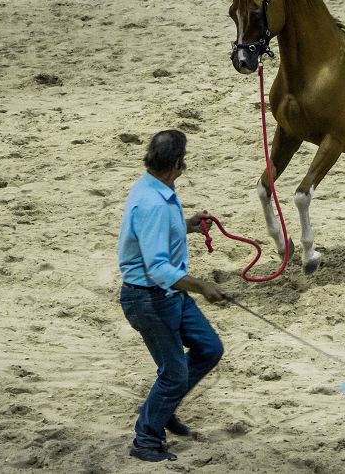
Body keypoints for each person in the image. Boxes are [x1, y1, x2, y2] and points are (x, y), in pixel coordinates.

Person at [117, 129, 226, 462]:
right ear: (177, 162)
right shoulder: (153, 204)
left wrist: (188, 225)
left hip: (169, 295)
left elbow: (160, 234)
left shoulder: (157, 187)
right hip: (149, 299)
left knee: (209, 348)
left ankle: (160, 410)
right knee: (174, 373)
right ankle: (146, 440)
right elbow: (158, 268)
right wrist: (203, 286)